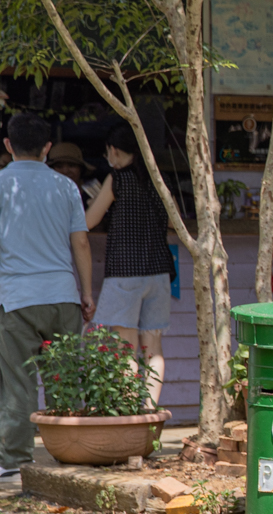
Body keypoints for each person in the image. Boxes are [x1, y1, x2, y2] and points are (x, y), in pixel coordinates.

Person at [0, 113, 95, 480]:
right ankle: (68, 456)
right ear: (47, 148)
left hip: (16, 298)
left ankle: (15, 459)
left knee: (17, 382)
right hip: (62, 295)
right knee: (65, 379)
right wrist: (86, 293)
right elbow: (81, 243)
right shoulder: (67, 188)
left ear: (8, 145)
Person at [85, 125, 174, 405]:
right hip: (159, 273)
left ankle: (130, 415)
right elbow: (174, 220)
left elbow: (89, 221)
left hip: (125, 274)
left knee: (125, 350)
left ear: (113, 151)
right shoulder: (158, 180)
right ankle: (149, 411)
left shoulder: (118, 179)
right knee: (154, 350)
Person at [46, 142, 101, 206]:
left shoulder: (93, 191)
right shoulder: (45, 194)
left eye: (71, 165)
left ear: (81, 169)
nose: (65, 171)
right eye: (59, 166)